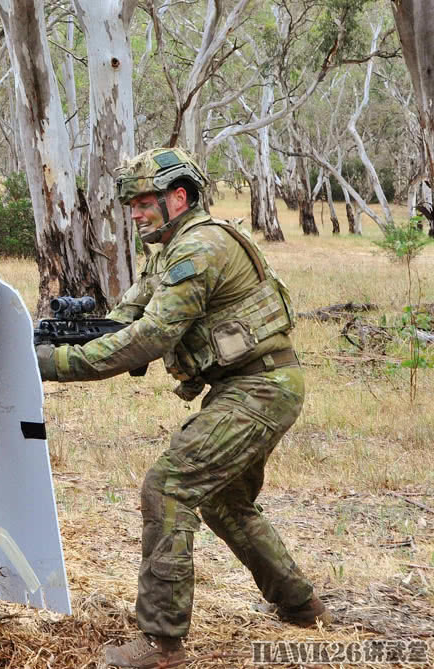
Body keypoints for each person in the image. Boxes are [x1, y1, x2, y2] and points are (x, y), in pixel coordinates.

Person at [36, 148, 331, 668]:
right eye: (131, 203)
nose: (136, 212)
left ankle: (161, 642)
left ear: (180, 197)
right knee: (224, 502)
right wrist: (57, 335)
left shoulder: (201, 249)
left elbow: (149, 337)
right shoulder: (171, 254)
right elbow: (125, 318)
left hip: (259, 388)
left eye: (145, 201)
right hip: (252, 385)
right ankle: (302, 605)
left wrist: (51, 363)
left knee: (168, 488)